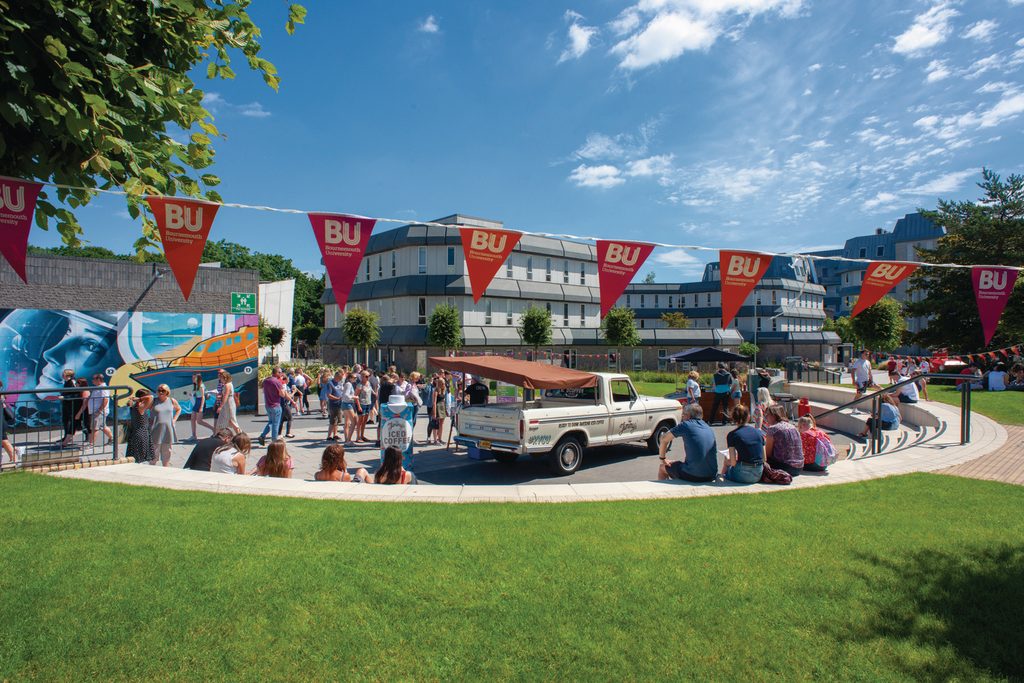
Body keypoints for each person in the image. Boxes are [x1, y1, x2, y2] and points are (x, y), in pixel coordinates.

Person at [657, 403, 718, 483]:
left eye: (683, 415)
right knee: (679, 465)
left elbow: (664, 439)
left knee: (662, 467)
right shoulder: (708, 427)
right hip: (711, 474)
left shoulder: (686, 425)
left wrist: (663, 459)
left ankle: (663, 494)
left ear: (688, 415)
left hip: (693, 475)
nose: (682, 417)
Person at [721, 404, 764, 484]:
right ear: (748, 417)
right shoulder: (758, 432)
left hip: (741, 474)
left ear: (733, 418)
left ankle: (722, 478)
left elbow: (733, 463)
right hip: (758, 473)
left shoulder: (732, 435)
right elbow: (764, 458)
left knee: (727, 461)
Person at [763, 404, 803, 477]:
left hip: (784, 467)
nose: (765, 417)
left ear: (774, 416)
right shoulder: (793, 427)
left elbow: (767, 454)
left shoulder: (773, 429)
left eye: (767, 414)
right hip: (799, 468)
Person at [258, 367, 292, 446]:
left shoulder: (266, 380)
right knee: (275, 424)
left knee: (271, 422)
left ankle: (262, 436)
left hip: (268, 405)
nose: (281, 374)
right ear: (277, 373)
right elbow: (282, 395)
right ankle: (274, 441)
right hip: (276, 405)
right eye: (280, 372)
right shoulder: (277, 382)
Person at [149, 383, 181, 467]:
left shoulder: (172, 400)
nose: (160, 392)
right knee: (154, 453)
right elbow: (144, 407)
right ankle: (150, 470)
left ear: (167, 392)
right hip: (156, 429)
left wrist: (174, 420)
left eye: (163, 390)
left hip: (168, 429)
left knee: (167, 452)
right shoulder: (153, 401)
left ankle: (165, 469)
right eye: (159, 390)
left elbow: (178, 409)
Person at [126, 389, 155, 464]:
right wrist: (140, 399)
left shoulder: (134, 405)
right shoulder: (140, 406)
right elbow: (151, 397)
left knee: (135, 457)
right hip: (141, 434)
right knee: (141, 458)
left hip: (135, 433)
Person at [86, 373, 113, 448]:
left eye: (93, 379)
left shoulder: (103, 388)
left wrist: (99, 410)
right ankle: (112, 438)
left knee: (95, 428)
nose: (92, 381)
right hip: (96, 411)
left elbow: (106, 399)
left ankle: (91, 444)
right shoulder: (98, 387)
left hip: (98, 412)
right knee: (102, 426)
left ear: (98, 379)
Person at [1, 380, 23, 466]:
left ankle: (14, 458)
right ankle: (15, 452)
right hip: (2, 421)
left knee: (4, 440)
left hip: (1, 421)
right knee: (3, 440)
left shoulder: (1, 395)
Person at [188, 373, 215, 441]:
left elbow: (203, 397)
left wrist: (201, 407)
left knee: (199, 421)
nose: (193, 379)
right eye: (192, 378)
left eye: (194, 378)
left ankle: (214, 429)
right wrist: (191, 394)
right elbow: (195, 393)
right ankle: (194, 435)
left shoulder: (201, 386)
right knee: (192, 419)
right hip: (197, 401)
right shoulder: (195, 385)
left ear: (198, 378)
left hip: (200, 402)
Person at [214, 368, 241, 434]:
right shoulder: (228, 384)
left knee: (232, 421)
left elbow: (226, 396)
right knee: (230, 421)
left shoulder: (227, 385)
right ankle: (239, 435)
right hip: (228, 404)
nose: (220, 379)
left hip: (228, 404)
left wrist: (220, 406)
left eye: (221, 378)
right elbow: (226, 395)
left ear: (225, 378)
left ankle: (240, 435)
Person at [58, 368, 79, 447]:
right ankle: (66, 436)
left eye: (64, 374)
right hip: (66, 404)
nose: (62, 375)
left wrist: (65, 397)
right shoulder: (66, 382)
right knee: (65, 420)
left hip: (71, 405)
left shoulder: (72, 382)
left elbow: (76, 393)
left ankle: (68, 437)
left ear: (68, 375)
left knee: (71, 421)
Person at [340, 371, 359, 445]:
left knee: (347, 423)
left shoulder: (347, 384)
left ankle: (347, 439)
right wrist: (355, 397)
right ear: (350, 378)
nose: (355, 379)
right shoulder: (349, 384)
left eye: (356, 377)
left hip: (345, 404)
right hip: (348, 404)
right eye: (354, 377)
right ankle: (348, 440)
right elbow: (346, 395)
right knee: (353, 422)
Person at [326, 371, 345, 442]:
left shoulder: (339, 383)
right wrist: (337, 398)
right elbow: (329, 395)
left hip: (339, 404)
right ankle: (329, 436)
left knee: (337, 420)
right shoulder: (330, 383)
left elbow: (341, 390)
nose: (341, 379)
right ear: (336, 377)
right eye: (340, 378)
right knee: (333, 420)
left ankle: (335, 434)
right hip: (333, 404)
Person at [430, 375, 448, 445]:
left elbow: (444, 400)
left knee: (441, 424)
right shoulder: (436, 390)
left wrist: (446, 410)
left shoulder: (443, 390)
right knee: (435, 424)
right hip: (437, 407)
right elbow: (434, 402)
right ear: (439, 384)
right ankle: (435, 440)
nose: (444, 385)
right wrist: (434, 413)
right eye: (442, 383)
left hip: (442, 407)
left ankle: (440, 439)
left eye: (444, 383)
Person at [356, 371, 374, 442]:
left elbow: (370, 390)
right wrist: (359, 406)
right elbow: (356, 396)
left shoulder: (368, 383)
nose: (368, 377)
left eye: (369, 376)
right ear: (362, 377)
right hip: (362, 404)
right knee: (360, 421)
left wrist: (374, 393)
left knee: (365, 421)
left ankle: (362, 435)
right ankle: (358, 437)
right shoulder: (360, 385)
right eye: (366, 376)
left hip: (368, 403)